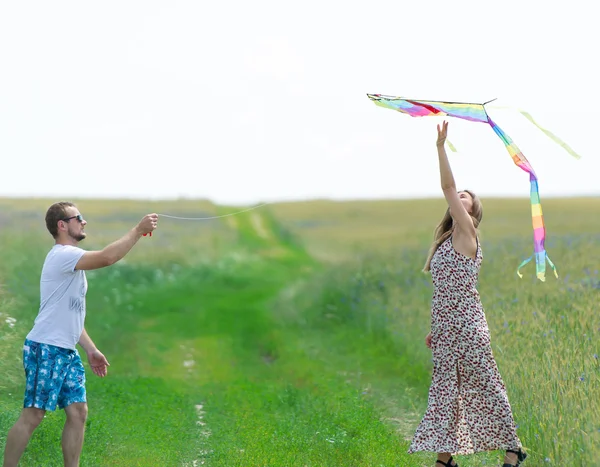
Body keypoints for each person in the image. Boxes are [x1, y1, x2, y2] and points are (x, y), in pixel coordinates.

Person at [407, 121, 527, 467]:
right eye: (459, 198)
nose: (459, 198)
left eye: (465, 199)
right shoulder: (446, 241)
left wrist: (441, 147)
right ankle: (445, 461)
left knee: (486, 383)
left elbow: (447, 185)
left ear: (472, 213)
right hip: (447, 329)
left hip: (469, 327)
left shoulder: (467, 234)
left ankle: (514, 448)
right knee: (448, 393)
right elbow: (445, 292)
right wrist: (437, 327)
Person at [2, 202, 158, 467]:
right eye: (79, 218)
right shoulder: (62, 255)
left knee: (78, 412)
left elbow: (70, 315)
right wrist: (137, 230)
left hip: (66, 349)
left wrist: (90, 349)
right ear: (62, 225)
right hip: (46, 347)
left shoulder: (70, 259)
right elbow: (108, 258)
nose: (84, 222)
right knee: (34, 414)